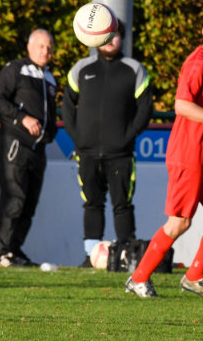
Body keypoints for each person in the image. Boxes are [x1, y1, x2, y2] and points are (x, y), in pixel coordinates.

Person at [124, 5, 203, 298]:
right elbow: (182, 105)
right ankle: (138, 278)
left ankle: (194, 276)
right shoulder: (197, 63)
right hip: (188, 154)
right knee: (179, 222)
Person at [62, 18, 153, 267]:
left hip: (121, 155)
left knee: (122, 205)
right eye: (107, 35)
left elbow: (145, 109)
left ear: (122, 38)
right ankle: (91, 257)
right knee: (92, 204)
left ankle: (126, 256)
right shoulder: (81, 68)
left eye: (116, 35)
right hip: (87, 152)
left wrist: (126, 138)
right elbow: (67, 106)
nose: (111, 40)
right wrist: (78, 137)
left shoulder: (134, 69)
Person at [0, 29, 57, 267]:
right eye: (41, 46)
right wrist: (22, 118)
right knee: (14, 199)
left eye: (49, 47)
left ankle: (15, 249)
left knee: (29, 204)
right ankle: (2, 252)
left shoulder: (50, 78)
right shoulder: (15, 69)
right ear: (29, 47)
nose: (45, 51)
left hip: (39, 149)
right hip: (16, 144)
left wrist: (51, 133)